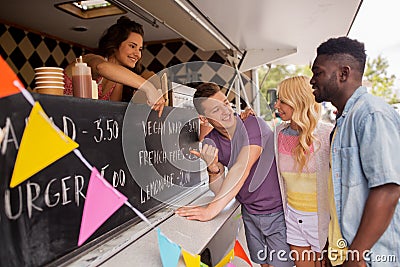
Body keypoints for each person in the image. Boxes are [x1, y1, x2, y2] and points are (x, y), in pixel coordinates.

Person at [176, 82, 293, 267]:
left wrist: (211, 210)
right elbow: (219, 189)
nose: (225, 111)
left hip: (278, 212)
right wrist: (212, 167)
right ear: (204, 119)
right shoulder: (211, 141)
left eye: (225, 103)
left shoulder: (252, 124)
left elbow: (241, 167)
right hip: (250, 213)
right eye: (216, 110)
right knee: (263, 264)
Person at [310, 36, 400, 267]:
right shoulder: (342, 123)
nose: (312, 80)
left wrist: (355, 256)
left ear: (343, 73)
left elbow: (388, 189)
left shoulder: (371, 114)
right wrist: (333, 250)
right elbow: (339, 195)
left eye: (318, 72)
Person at [274, 76, 333, 267]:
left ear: (297, 101)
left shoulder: (327, 134)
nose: (276, 105)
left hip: (320, 221)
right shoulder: (278, 134)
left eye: (282, 100)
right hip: (292, 217)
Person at [63, 16, 164, 116]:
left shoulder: (118, 82)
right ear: (115, 45)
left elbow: (112, 114)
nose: (138, 54)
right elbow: (102, 67)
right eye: (132, 46)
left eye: (140, 49)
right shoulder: (90, 59)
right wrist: (149, 87)